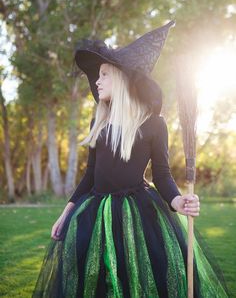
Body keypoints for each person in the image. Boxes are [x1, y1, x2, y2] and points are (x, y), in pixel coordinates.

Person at [32, 21, 229, 298]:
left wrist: (177, 201)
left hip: (139, 212)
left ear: (123, 78)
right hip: (94, 211)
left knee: (140, 276)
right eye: (96, 76)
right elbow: (89, 176)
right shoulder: (97, 123)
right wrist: (66, 213)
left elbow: (162, 175)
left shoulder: (153, 124)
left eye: (104, 74)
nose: (97, 81)